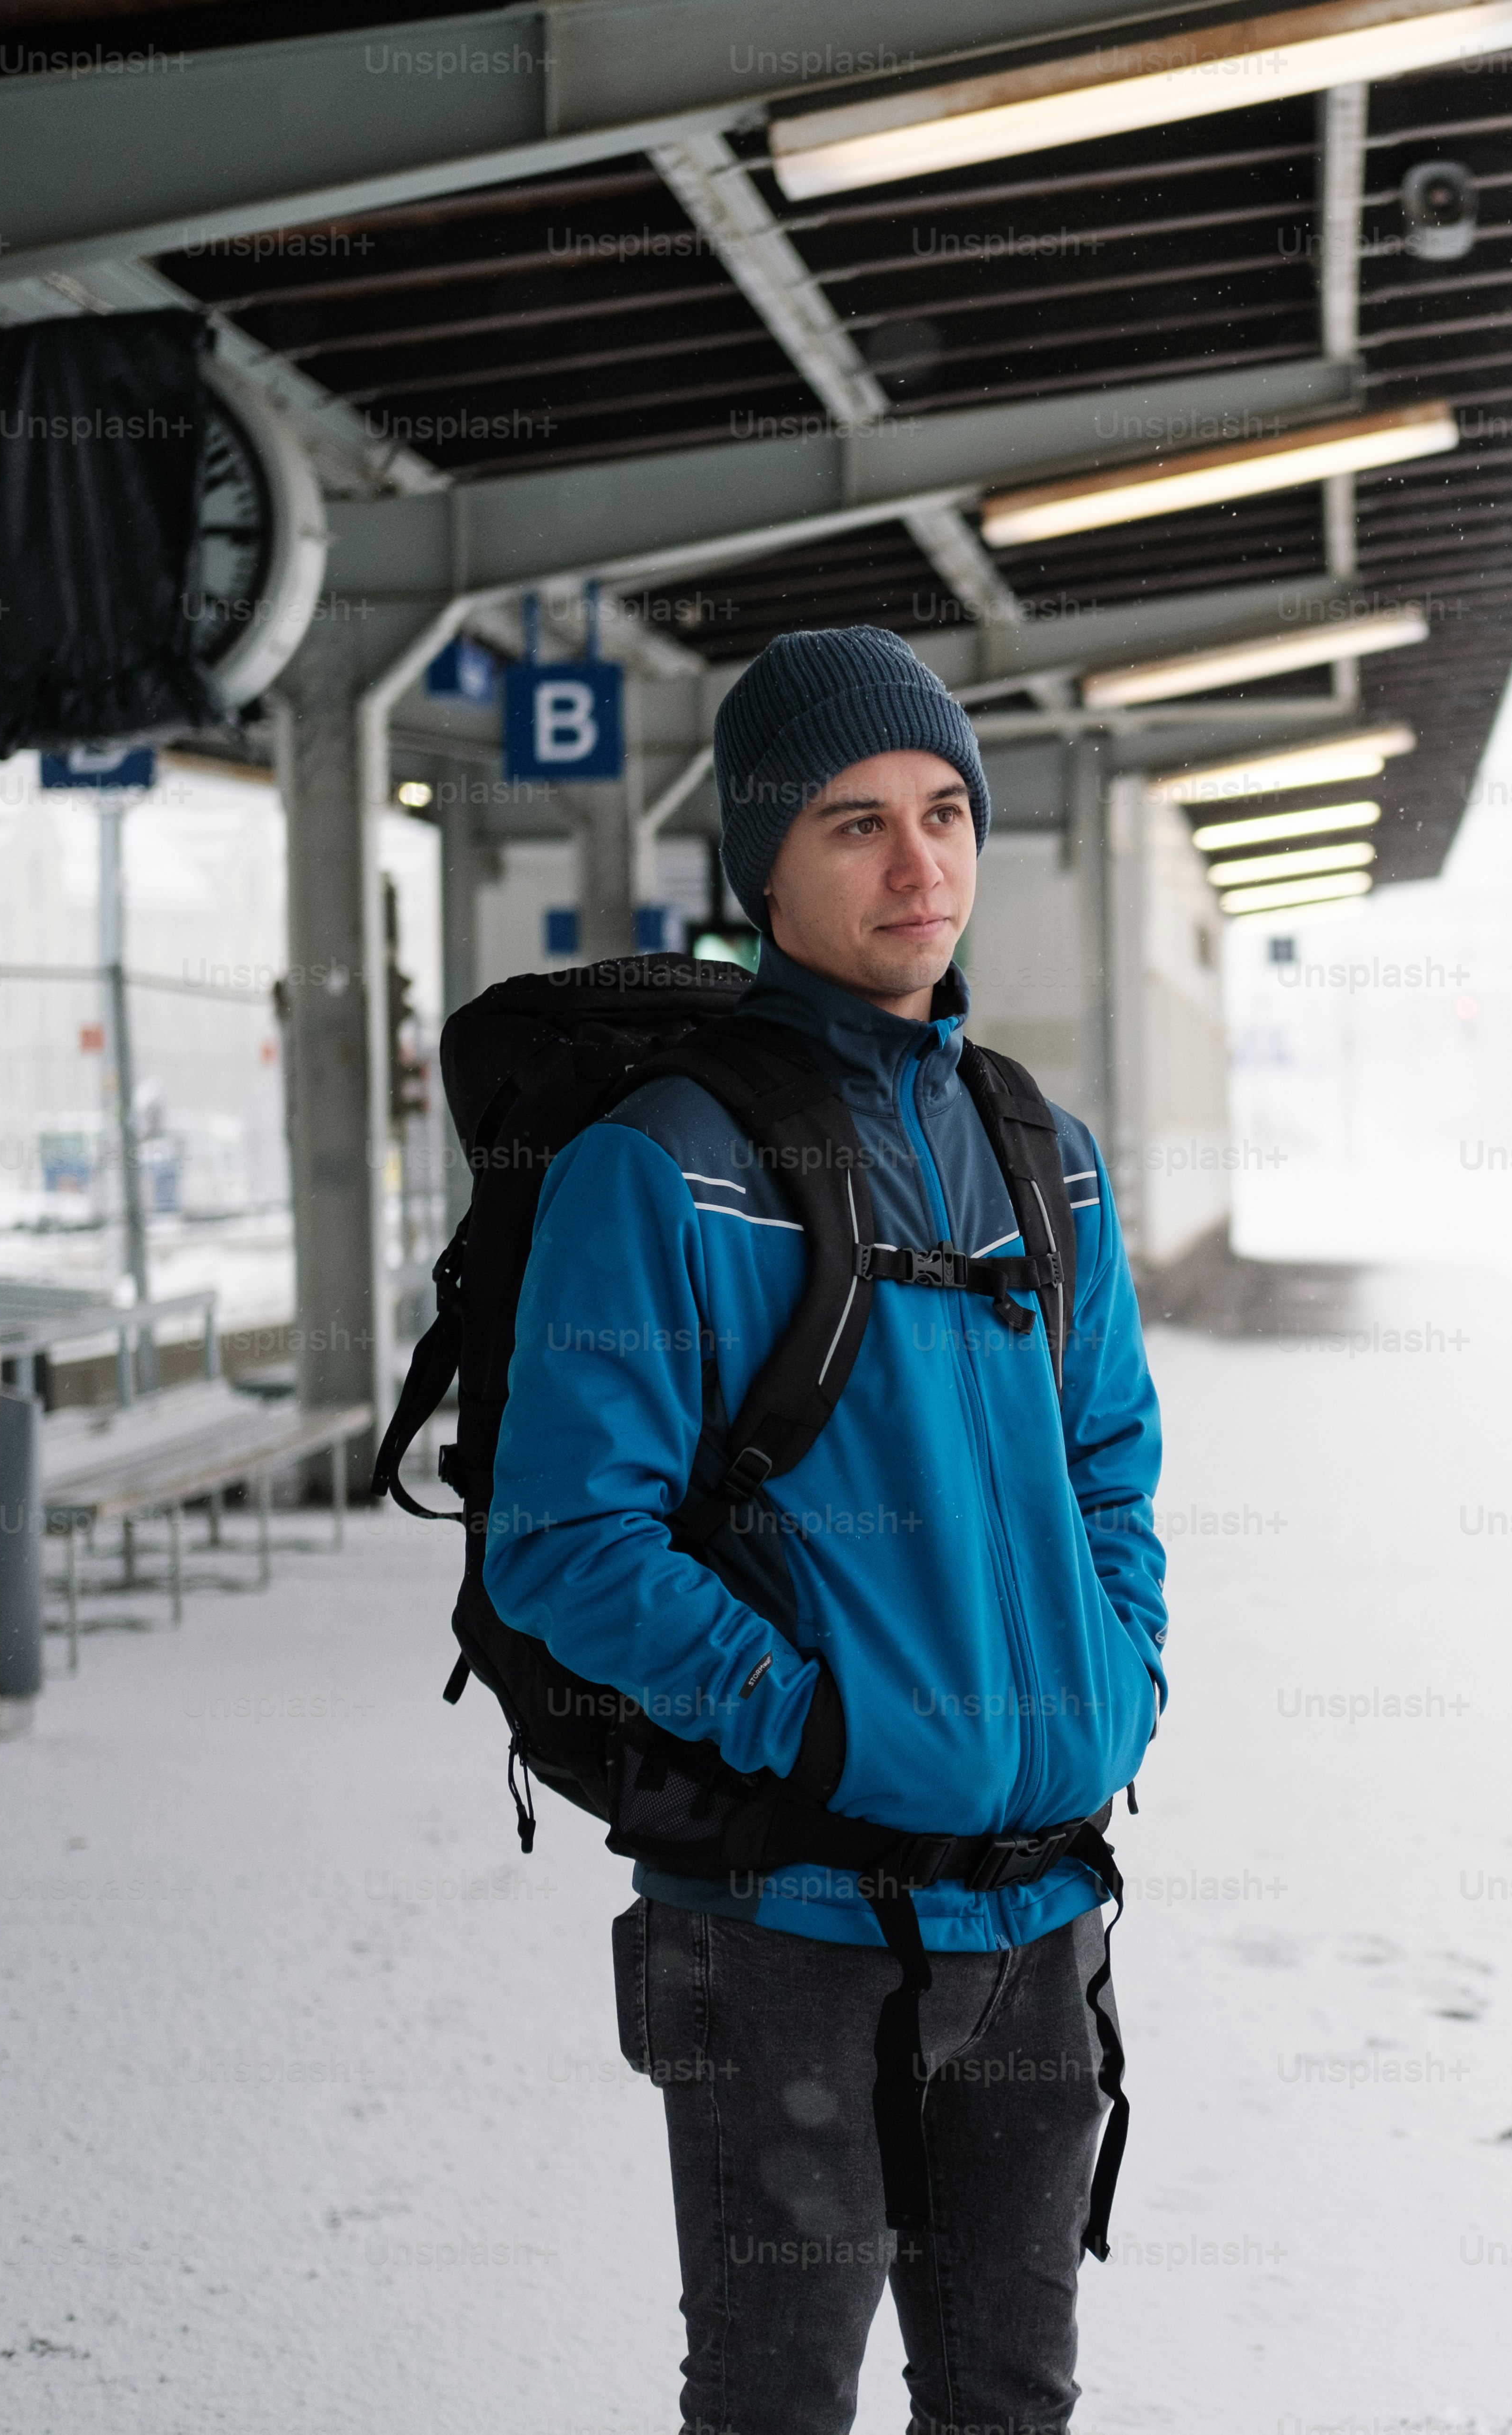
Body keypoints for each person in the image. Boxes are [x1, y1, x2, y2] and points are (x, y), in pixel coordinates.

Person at [483, 626, 1168, 2435]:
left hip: (1038, 1909)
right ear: (762, 869)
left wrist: (1116, 1677)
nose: (918, 863)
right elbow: (563, 1537)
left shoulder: (1045, 1153)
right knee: (780, 2403)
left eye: (945, 813)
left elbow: (1111, 1468)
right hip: (782, 1924)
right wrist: (814, 1717)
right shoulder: (664, 1162)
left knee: (1010, 2401)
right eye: (856, 824)